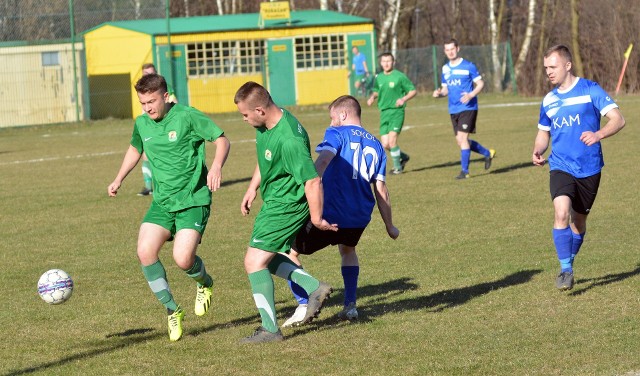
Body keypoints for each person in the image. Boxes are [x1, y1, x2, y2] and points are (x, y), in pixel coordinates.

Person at [107, 73, 230, 341]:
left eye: (152, 101)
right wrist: (118, 179)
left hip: (192, 200)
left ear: (165, 96)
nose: (147, 108)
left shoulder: (187, 116)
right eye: (142, 103)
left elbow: (222, 140)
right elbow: (134, 150)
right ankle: (172, 310)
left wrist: (217, 166)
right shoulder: (142, 123)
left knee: (182, 259)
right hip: (162, 202)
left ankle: (205, 283)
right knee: (144, 251)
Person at [281, 95, 400, 327]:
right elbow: (381, 189)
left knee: (287, 251)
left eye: (333, 117)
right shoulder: (376, 144)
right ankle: (350, 306)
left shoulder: (336, 133)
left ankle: (304, 303)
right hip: (359, 217)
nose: (332, 122)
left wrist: (308, 184)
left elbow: (323, 161)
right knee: (348, 250)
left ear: (343, 115)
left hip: (332, 213)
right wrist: (389, 225)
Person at [234, 81, 336, 344]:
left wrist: (316, 219)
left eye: (245, 115)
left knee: (253, 262)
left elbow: (312, 180)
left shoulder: (289, 139)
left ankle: (270, 330)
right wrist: (252, 187)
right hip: (274, 202)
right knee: (263, 259)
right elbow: (266, 158)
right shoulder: (267, 125)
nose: (244, 120)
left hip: (286, 206)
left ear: (260, 110)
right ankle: (315, 288)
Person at [532, 44, 625, 290]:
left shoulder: (589, 89)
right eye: (546, 68)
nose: (549, 72)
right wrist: (538, 150)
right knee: (561, 212)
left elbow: (618, 119)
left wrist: (599, 134)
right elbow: (543, 133)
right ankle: (565, 271)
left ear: (567, 65)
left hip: (589, 167)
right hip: (560, 164)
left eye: (553, 67)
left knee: (578, 223)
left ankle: (569, 261)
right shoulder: (549, 100)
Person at [433, 38, 495, 179]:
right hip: (453, 109)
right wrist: (439, 94)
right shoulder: (445, 68)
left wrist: (471, 94)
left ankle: (465, 172)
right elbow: (445, 89)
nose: (450, 52)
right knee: (460, 141)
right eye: (447, 50)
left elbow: (480, 83)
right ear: (445, 51)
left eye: (452, 49)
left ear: (458, 48)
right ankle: (487, 153)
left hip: (468, 107)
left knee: (462, 138)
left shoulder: (468, 66)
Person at [367, 52, 416, 174]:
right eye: (384, 61)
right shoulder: (379, 77)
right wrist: (373, 97)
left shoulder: (400, 76)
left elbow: (413, 91)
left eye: (389, 61)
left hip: (396, 112)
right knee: (385, 144)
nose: (386, 63)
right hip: (384, 112)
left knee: (392, 140)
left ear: (393, 62)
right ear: (381, 63)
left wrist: (403, 99)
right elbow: (377, 90)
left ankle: (397, 168)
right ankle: (403, 157)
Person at [138, 63, 178, 196]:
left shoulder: (163, 87)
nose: (149, 76)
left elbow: (174, 102)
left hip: (161, 124)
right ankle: (149, 187)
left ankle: (165, 185)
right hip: (148, 125)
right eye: (146, 74)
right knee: (145, 155)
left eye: (151, 73)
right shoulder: (142, 88)